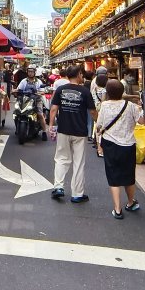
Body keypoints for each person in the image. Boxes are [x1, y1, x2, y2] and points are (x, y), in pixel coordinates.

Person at [95, 79, 145, 219]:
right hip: (128, 145)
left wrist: (99, 143)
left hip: (110, 143)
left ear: (108, 93)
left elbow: (99, 126)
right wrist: (140, 109)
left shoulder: (104, 105)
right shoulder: (131, 106)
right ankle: (130, 203)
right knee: (129, 175)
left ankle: (117, 209)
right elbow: (141, 121)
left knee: (113, 175)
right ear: (123, 91)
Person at [48, 65, 97, 203]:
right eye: (82, 74)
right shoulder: (85, 92)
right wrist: (98, 124)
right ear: (79, 74)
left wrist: (51, 126)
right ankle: (77, 194)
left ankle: (58, 187)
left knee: (61, 159)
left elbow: (53, 109)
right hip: (79, 132)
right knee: (78, 162)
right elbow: (92, 112)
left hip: (63, 130)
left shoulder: (60, 90)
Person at [14, 66, 48, 140]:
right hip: (25, 99)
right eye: (29, 71)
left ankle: (44, 132)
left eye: (32, 71)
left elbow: (42, 90)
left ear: (34, 72)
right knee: (16, 112)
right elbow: (19, 89)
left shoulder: (38, 81)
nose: (30, 73)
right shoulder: (24, 81)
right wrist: (15, 91)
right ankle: (18, 128)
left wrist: (40, 93)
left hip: (36, 99)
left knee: (40, 114)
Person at [89, 67, 108, 144]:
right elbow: (103, 101)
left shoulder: (94, 82)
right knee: (101, 124)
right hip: (101, 107)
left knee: (96, 123)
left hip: (95, 105)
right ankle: (99, 142)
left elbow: (91, 93)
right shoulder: (103, 89)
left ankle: (95, 139)